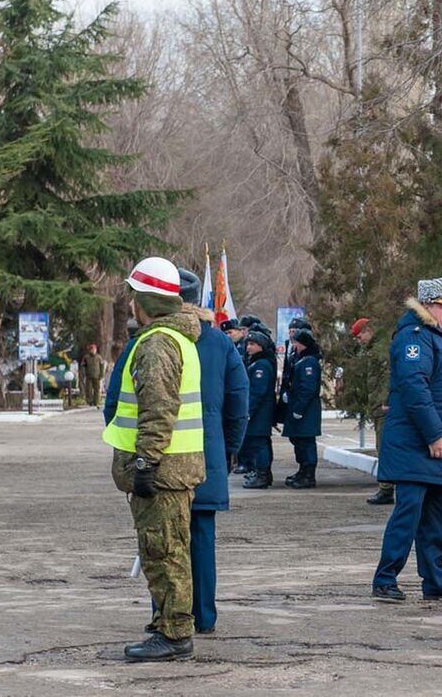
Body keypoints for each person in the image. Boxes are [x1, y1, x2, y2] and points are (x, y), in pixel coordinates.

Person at [105, 256, 205, 662]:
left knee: (164, 553)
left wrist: (145, 462)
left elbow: (158, 410)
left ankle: (176, 632)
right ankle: (169, 622)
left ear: (144, 300)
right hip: (172, 470)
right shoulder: (176, 339)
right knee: (167, 549)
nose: (130, 303)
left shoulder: (158, 344)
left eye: (133, 295)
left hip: (162, 472)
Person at [371, 277, 442, 603]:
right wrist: (434, 434)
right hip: (418, 446)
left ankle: (436, 580)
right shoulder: (415, 337)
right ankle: (385, 578)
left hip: (437, 446)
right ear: (427, 305)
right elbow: (415, 388)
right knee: (409, 514)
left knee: (435, 518)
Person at [175, 268, 249, 634]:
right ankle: (204, 616)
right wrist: (229, 449)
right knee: (202, 539)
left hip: (163, 460)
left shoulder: (155, 338)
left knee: (168, 539)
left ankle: (170, 614)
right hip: (207, 458)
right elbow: (239, 400)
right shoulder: (220, 343)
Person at [347, 318, 393, 506]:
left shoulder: (382, 352)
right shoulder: (375, 351)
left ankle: (386, 489)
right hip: (379, 408)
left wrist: (385, 402)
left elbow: (387, 381)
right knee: (383, 447)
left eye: (360, 336)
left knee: (385, 448)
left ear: (369, 331)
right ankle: (387, 487)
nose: (360, 341)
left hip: (385, 409)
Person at [282, 327, 322, 489]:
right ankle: (302, 470)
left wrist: (299, 409)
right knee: (298, 441)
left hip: (306, 411)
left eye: (296, 343)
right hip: (298, 408)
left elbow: (308, 389)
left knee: (306, 443)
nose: (294, 346)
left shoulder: (309, 363)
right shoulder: (300, 360)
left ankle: (309, 474)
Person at [241, 329, 277, 489]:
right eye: (248, 344)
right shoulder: (256, 362)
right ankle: (262, 472)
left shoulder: (261, 364)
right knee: (260, 442)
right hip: (259, 412)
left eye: (252, 344)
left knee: (259, 443)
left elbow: (257, 391)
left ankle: (262, 474)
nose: (248, 347)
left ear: (261, 346)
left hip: (260, 413)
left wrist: (249, 411)